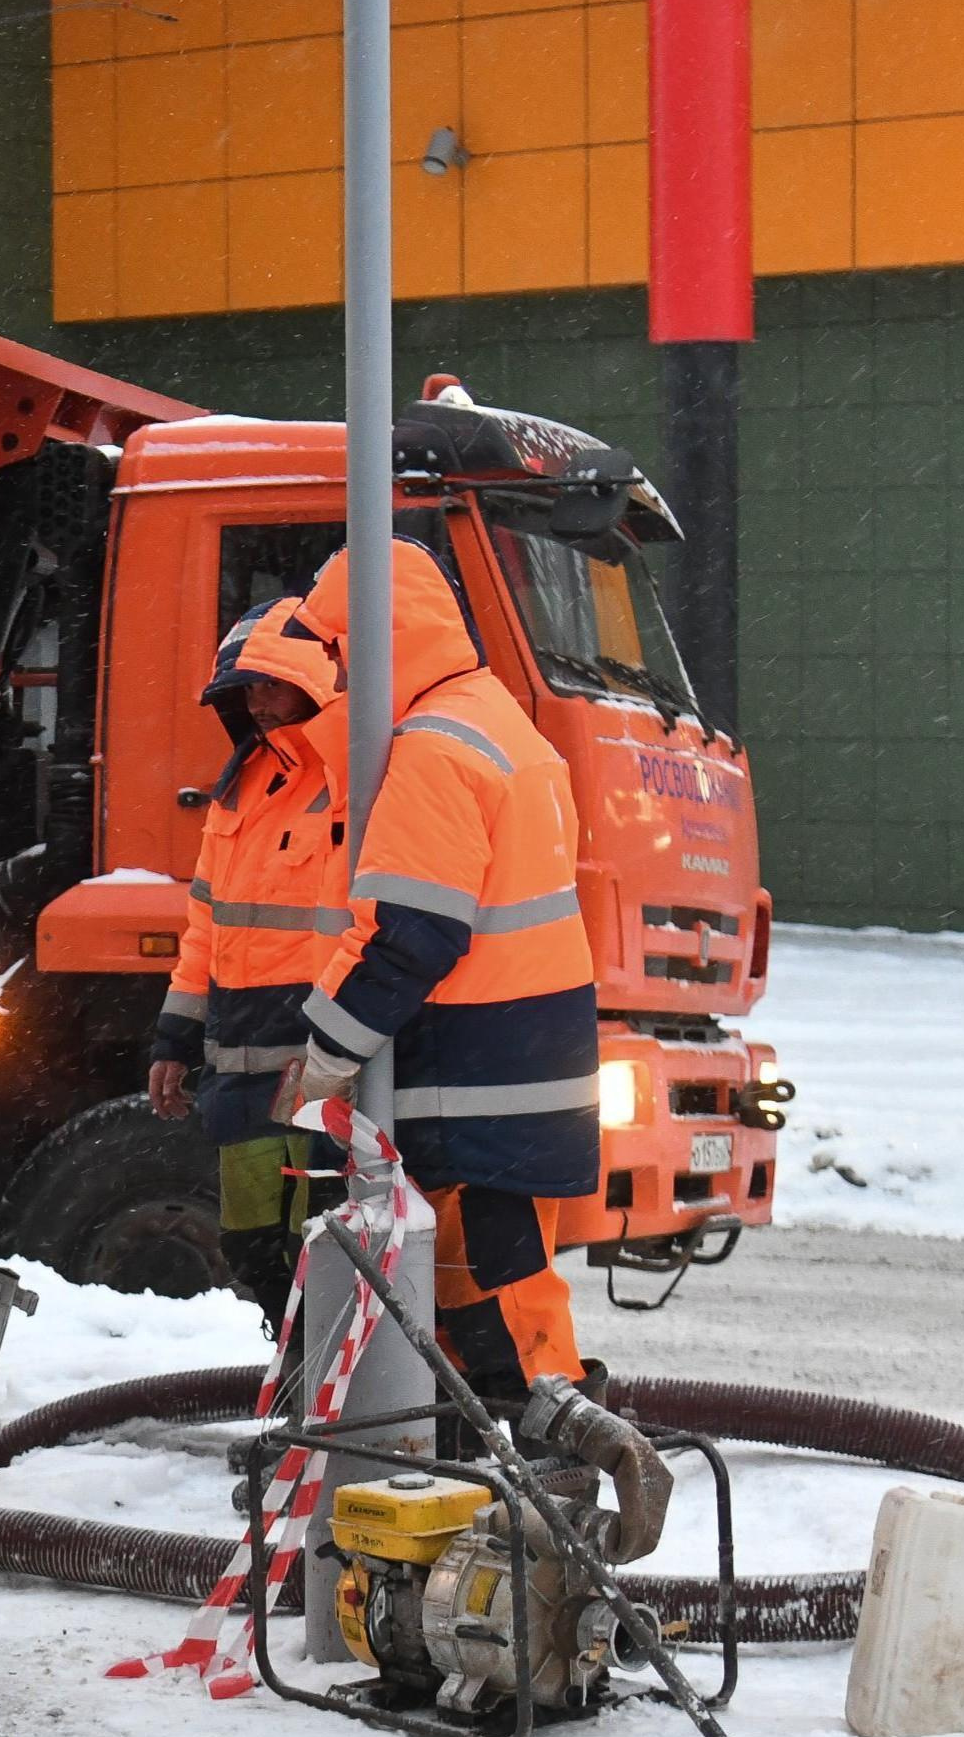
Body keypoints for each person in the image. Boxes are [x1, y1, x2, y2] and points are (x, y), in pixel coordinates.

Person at [280, 537, 600, 1403]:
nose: (336, 678)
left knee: (481, 1301)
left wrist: (324, 1053)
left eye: (341, 652)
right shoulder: (497, 720)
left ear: (376, 641)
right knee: (510, 1291)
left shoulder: (430, 749)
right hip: (520, 1066)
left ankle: (542, 1459)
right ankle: (539, 1452)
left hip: (468, 1081)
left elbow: (410, 934)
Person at [146, 596, 351, 1335]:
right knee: (258, 1248)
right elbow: (206, 924)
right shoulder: (241, 786)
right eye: (245, 688)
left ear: (313, 681)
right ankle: (303, 1391)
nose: (256, 701)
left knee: (321, 1253)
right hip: (243, 1071)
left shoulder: (352, 780)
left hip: (319, 1069)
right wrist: (175, 1038)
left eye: (270, 683)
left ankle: (322, 1407)